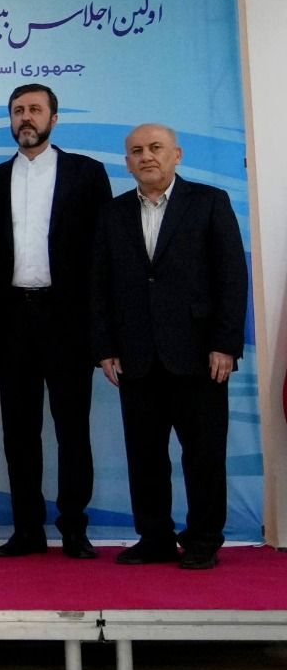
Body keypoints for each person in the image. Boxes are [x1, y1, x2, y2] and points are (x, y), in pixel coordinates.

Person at [92, 124, 247, 570]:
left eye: (155, 148)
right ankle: (154, 537)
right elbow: (99, 284)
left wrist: (224, 344)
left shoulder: (209, 202)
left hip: (200, 356)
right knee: (145, 457)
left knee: (202, 456)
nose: (147, 157)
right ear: (127, 162)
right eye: (136, 151)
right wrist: (104, 346)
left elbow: (232, 279)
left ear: (176, 154)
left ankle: (202, 540)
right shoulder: (113, 213)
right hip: (135, 356)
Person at [0, 84, 110, 559]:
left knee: (72, 428)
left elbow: (102, 257)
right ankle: (27, 530)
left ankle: (74, 528)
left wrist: (101, 330)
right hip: (14, 320)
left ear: (54, 118)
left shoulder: (86, 174)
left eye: (35, 109)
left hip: (69, 320)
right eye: (17, 111)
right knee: (19, 431)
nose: (25, 118)